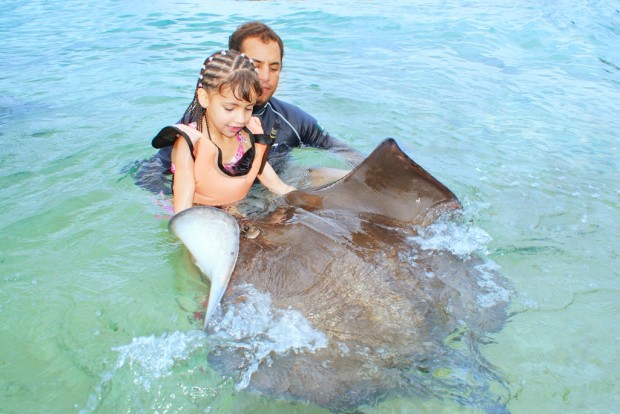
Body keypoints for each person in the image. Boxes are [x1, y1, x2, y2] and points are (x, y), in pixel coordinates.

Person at [134, 21, 361, 195]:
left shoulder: (292, 119)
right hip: (222, 197)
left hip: (275, 185)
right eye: (255, 65)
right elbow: (152, 173)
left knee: (349, 176)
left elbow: (341, 150)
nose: (264, 77)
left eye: (274, 68)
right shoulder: (199, 124)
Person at [151, 49, 295, 214]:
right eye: (229, 108)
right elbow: (183, 210)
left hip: (233, 208)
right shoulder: (190, 145)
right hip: (195, 212)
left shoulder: (247, 136)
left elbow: (277, 185)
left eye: (248, 108)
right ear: (204, 98)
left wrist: (305, 202)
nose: (241, 119)